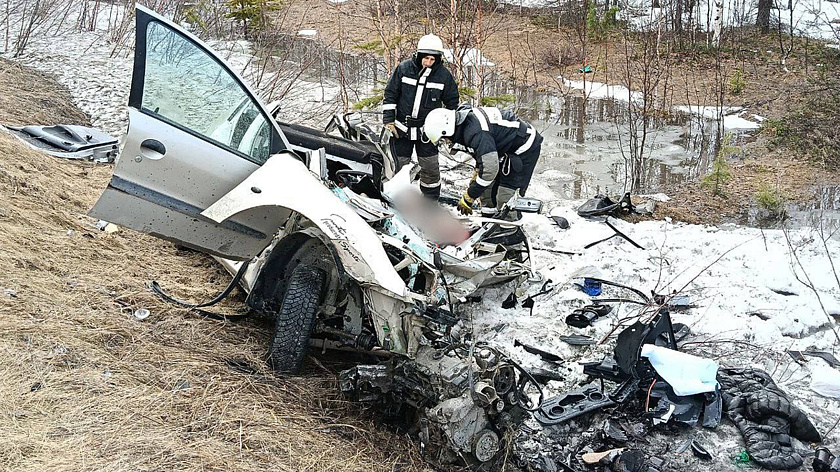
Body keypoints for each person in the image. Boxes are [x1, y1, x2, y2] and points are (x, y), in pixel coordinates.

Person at [422, 104, 543, 217]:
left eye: (444, 137)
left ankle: (510, 232)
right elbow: (483, 152)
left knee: (505, 195)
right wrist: (478, 172)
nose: (446, 141)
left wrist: (470, 195)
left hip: (525, 148)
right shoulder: (464, 124)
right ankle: (489, 221)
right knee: (487, 192)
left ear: (446, 130)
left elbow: (490, 168)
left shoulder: (474, 131)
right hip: (504, 148)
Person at [382, 34, 459, 199]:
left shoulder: (443, 76)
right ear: (418, 55)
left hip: (427, 132)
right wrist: (389, 120)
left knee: (430, 168)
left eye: (432, 59)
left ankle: (430, 201)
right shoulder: (404, 69)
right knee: (398, 166)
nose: (428, 62)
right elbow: (390, 94)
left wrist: (449, 130)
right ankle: (393, 198)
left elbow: (453, 103)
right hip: (401, 129)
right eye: (426, 58)